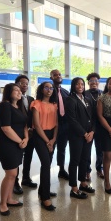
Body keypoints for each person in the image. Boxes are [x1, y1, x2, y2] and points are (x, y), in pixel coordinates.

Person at [0, 83, 28, 216]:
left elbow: (25, 126)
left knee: (14, 172)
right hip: (5, 143)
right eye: (16, 90)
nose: (19, 92)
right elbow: (6, 128)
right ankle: (2, 204)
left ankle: (9, 199)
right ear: (8, 92)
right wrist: (20, 141)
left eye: (20, 90)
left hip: (18, 143)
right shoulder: (4, 106)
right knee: (11, 173)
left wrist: (26, 139)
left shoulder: (18, 107)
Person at [65, 77, 96, 199]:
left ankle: (83, 183)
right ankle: (74, 188)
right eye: (77, 84)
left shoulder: (87, 99)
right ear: (73, 86)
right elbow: (72, 120)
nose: (80, 86)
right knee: (75, 161)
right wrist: (84, 134)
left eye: (82, 84)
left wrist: (92, 132)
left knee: (85, 159)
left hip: (89, 135)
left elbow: (93, 118)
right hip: (77, 136)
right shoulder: (70, 100)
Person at [31, 81, 58, 211]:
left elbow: (57, 124)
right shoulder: (36, 104)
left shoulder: (54, 105)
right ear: (42, 89)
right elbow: (36, 125)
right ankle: (45, 198)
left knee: (47, 164)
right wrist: (48, 141)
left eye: (51, 88)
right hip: (40, 135)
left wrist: (53, 140)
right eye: (46, 87)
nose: (49, 90)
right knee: (46, 164)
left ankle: (43, 190)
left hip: (52, 136)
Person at [13, 75, 37, 195]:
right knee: (17, 159)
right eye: (22, 83)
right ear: (16, 84)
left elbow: (33, 116)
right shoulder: (13, 100)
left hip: (31, 133)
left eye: (27, 83)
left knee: (28, 156)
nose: (25, 85)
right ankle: (14, 182)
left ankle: (26, 178)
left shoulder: (31, 98)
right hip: (18, 133)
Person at [50, 69, 70, 180]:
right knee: (51, 149)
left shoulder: (65, 92)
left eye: (59, 74)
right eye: (55, 75)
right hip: (52, 125)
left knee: (62, 148)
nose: (58, 76)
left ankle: (61, 170)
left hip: (64, 125)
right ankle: (46, 170)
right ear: (51, 77)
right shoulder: (48, 91)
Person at [85, 73, 104, 180]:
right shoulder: (84, 94)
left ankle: (99, 168)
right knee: (87, 149)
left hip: (101, 127)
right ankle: (87, 171)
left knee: (100, 149)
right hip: (88, 127)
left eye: (96, 81)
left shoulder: (103, 94)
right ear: (88, 83)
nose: (94, 83)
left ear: (99, 82)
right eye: (91, 81)